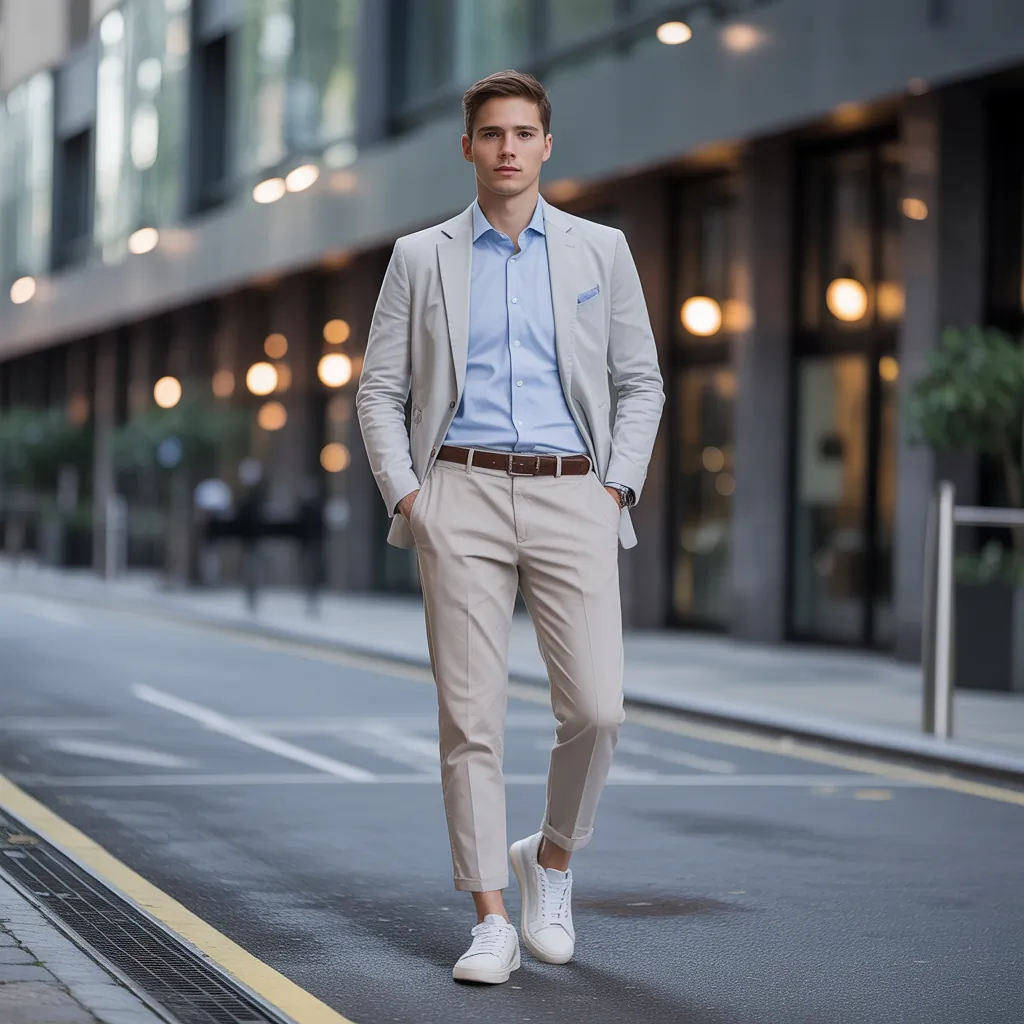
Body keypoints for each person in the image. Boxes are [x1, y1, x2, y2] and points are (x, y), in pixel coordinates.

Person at [356, 70, 664, 985]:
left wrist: (617, 490)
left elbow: (639, 381)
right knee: (470, 720)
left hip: (576, 493)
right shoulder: (421, 257)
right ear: (468, 147)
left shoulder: (599, 251)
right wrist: (411, 496)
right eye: (491, 133)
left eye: (523, 133)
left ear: (546, 145)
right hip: (463, 492)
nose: (507, 148)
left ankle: (553, 862)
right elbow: (380, 390)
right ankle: (490, 914)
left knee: (598, 709)